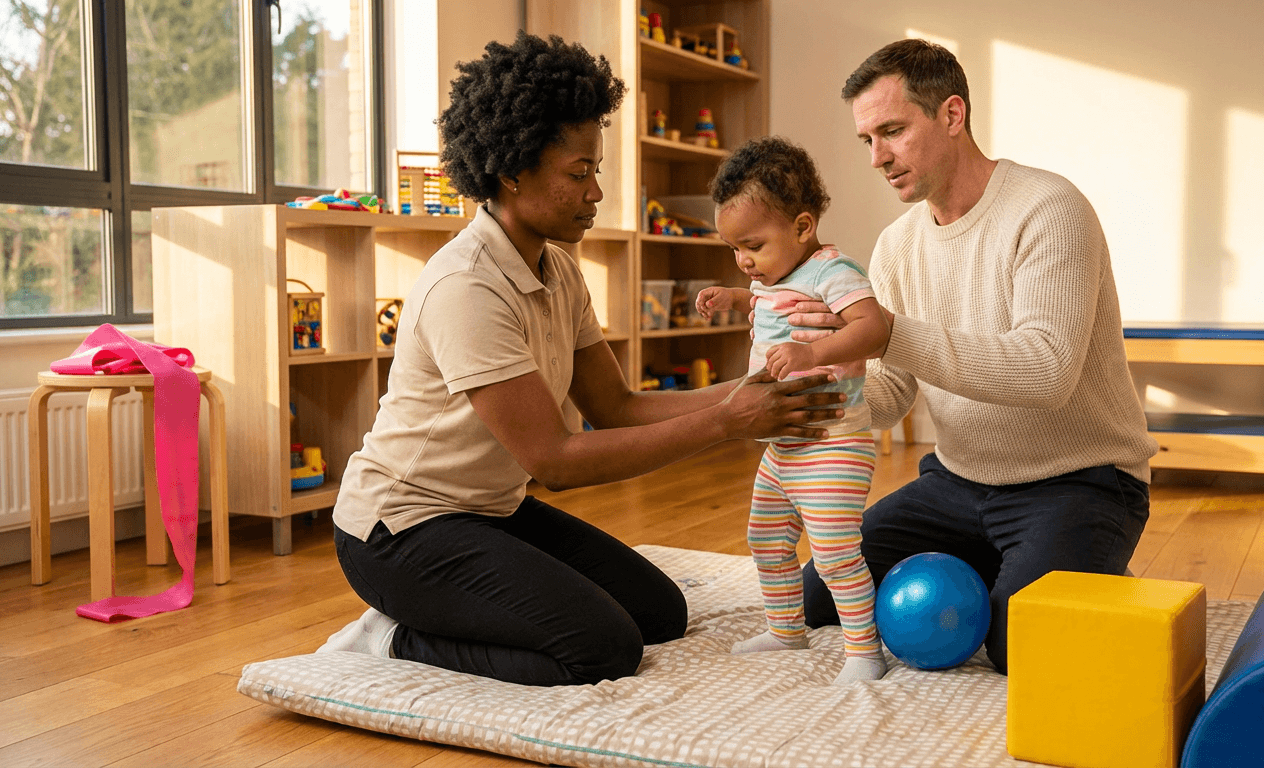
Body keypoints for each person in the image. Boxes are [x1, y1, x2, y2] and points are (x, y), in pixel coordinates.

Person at [316, 32, 846, 687]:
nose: (596, 190)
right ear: (512, 170)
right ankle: (391, 638)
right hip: (400, 532)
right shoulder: (467, 285)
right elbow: (555, 461)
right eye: (579, 173)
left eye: (595, 170)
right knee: (601, 649)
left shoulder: (558, 268)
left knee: (659, 612)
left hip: (487, 511)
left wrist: (755, 388)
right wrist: (726, 423)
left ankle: (441, 616)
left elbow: (614, 406)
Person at [793, 39, 1158, 674]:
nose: (878, 157)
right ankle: (1026, 561)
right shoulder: (897, 245)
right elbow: (891, 397)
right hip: (956, 483)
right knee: (816, 595)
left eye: (893, 131)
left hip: (1082, 481)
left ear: (952, 115)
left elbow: (1047, 370)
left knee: (1019, 645)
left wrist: (886, 333)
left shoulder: (1048, 208)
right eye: (866, 140)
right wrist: (839, 379)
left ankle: (1069, 555)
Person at [695, 137, 891, 684]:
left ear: (803, 228)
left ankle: (863, 651)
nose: (742, 261)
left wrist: (813, 353)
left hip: (833, 442)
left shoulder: (834, 271)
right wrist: (734, 297)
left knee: (833, 554)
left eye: (751, 246)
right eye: (733, 249)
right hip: (784, 445)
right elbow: (766, 301)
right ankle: (786, 630)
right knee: (766, 537)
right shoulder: (772, 278)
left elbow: (872, 328)